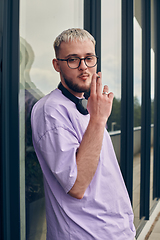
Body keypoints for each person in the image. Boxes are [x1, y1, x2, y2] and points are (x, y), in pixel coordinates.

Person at [31, 28, 136, 240]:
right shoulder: (50, 110)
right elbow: (76, 185)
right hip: (86, 234)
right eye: (72, 59)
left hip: (114, 231)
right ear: (56, 65)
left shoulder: (88, 106)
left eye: (89, 58)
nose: (83, 67)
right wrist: (98, 119)